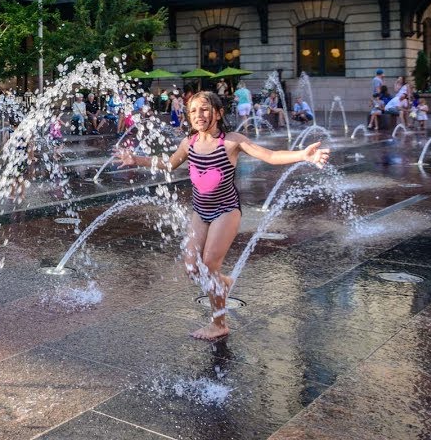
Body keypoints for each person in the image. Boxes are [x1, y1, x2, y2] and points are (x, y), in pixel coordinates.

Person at [116, 91, 330, 340]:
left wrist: (304, 155)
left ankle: (219, 324)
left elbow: (270, 156)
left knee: (208, 265)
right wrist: (136, 160)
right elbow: (168, 164)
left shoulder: (230, 141)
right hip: (200, 212)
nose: (199, 115)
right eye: (193, 111)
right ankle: (223, 282)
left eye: (205, 109)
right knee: (191, 267)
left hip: (225, 211)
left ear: (217, 113)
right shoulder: (190, 143)